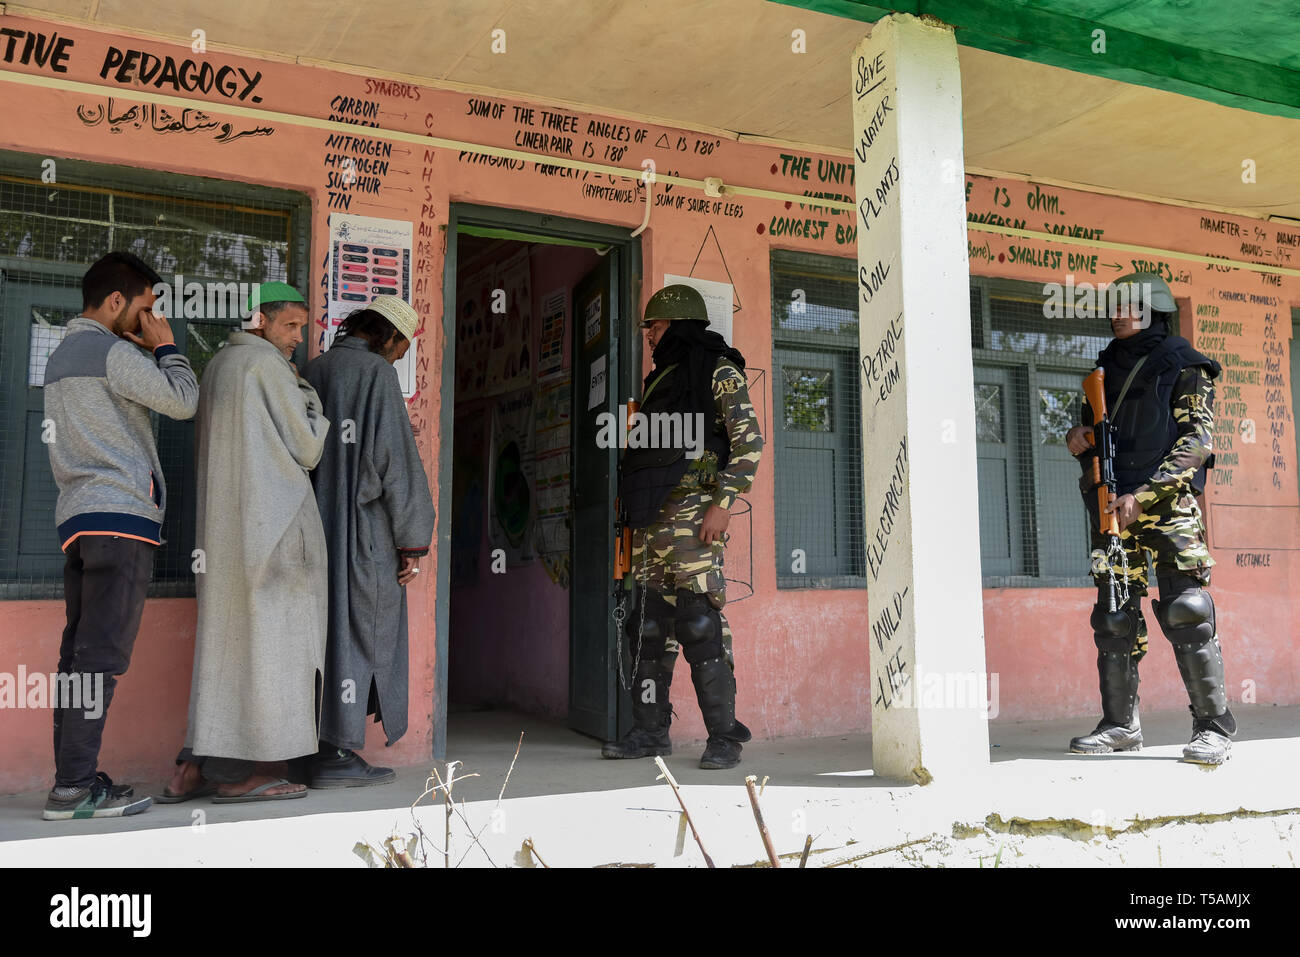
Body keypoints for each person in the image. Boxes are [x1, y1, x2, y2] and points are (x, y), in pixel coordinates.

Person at [41, 252, 199, 820]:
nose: (150, 319)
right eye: (146, 307)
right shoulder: (112, 353)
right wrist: (166, 347)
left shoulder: (60, 354)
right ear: (115, 302)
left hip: (80, 522)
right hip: (121, 520)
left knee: (78, 659)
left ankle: (71, 782)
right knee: (101, 660)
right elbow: (183, 402)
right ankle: (74, 790)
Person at [162, 281, 330, 804]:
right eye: (290, 325)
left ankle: (191, 767)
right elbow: (308, 447)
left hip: (224, 537)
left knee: (223, 654)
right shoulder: (268, 367)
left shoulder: (217, 365)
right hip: (273, 533)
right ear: (260, 320)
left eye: (302, 327)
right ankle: (241, 776)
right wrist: (308, 395)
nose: (298, 338)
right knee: (270, 656)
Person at [1066, 272, 1235, 765]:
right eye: (1114, 306)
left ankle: (1214, 727)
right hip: (1112, 509)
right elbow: (1096, 438)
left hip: (1166, 506)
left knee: (1187, 611)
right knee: (1113, 617)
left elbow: (1197, 443)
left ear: (1154, 311)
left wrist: (1144, 494)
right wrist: (1077, 438)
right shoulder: (1103, 371)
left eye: (1131, 306)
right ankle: (1120, 726)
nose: (1119, 314)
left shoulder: (1184, 363)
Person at [602, 284, 764, 769]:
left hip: (696, 519)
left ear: (674, 323)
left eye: (652, 326)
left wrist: (723, 503)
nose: (649, 336)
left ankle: (724, 739)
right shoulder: (661, 380)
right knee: (649, 629)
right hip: (652, 523)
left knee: (699, 624)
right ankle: (650, 733)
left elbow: (749, 443)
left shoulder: (718, 370)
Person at [301, 296, 435, 787]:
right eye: (402, 347)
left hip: (313, 533)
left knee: (322, 637)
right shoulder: (377, 375)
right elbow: (395, 464)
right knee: (363, 633)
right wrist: (413, 542)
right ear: (390, 337)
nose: (399, 357)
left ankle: (312, 747)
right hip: (365, 535)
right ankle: (337, 752)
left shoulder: (314, 370)